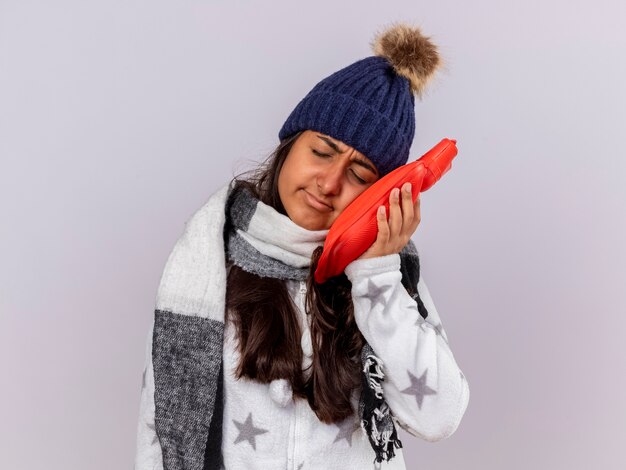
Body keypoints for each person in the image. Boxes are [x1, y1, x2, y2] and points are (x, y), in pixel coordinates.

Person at [135, 21, 470, 470]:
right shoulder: (207, 261)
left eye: (360, 174)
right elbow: (158, 428)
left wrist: (377, 277)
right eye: (322, 151)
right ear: (291, 145)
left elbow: (438, 416)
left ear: (380, 192)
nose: (330, 183)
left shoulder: (387, 274)